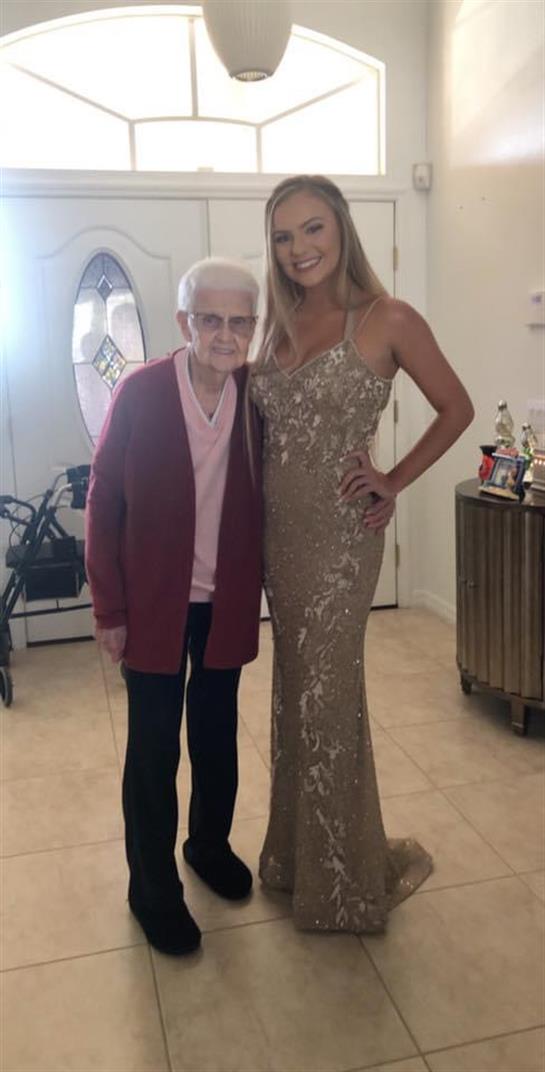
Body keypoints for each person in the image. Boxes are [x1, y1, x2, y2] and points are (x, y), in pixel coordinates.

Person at [250, 175, 474, 934]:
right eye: (283, 236)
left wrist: (393, 479)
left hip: (343, 542)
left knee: (326, 699)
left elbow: (456, 407)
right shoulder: (275, 326)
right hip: (279, 538)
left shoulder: (386, 319)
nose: (299, 249)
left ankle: (343, 881)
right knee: (294, 693)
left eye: (312, 229)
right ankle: (295, 856)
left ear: (340, 229)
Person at [85, 257, 262, 956]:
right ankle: (151, 889)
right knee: (153, 753)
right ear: (185, 321)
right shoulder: (141, 391)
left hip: (226, 603)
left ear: (252, 326)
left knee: (216, 740)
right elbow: (104, 502)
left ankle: (207, 845)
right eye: (210, 319)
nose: (224, 333)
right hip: (155, 604)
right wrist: (109, 611)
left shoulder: (257, 394)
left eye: (239, 320)